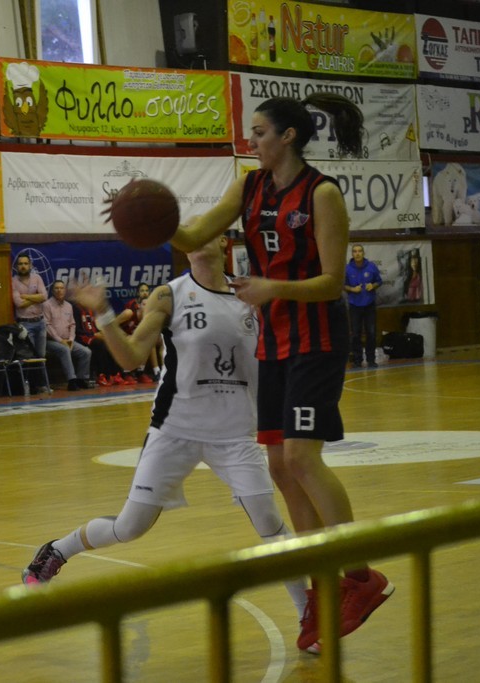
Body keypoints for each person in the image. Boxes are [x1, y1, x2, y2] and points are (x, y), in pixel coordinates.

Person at [169, 94, 394, 651]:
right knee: (279, 466)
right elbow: (193, 238)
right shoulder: (248, 187)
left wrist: (273, 287)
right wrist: (155, 218)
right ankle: (323, 583)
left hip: (317, 337)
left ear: (288, 136)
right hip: (273, 340)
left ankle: (361, 577)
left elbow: (332, 283)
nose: (252, 140)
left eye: (260, 131)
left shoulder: (321, 194)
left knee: (300, 457)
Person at [22, 236, 314, 649]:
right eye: (188, 235)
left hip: (234, 431)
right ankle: (56, 551)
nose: (196, 239)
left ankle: (308, 617)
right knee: (130, 527)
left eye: (205, 232)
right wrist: (103, 312)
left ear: (223, 242)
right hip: (175, 428)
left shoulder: (250, 293)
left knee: (269, 521)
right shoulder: (169, 295)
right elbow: (131, 358)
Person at [42, 279, 92, 391]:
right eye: (56, 288)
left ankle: (81, 379)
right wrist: (60, 340)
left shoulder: (69, 306)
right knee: (64, 350)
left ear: (65, 291)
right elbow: (47, 325)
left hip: (67, 340)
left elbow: (72, 325)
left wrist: (71, 339)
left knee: (86, 352)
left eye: (62, 288)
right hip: (51, 341)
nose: (59, 290)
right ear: (52, 291)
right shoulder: (46, 305)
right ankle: (71, 381)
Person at [344, 244, 382, 368]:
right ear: (352, 254)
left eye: (360, 251)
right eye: (355, 251)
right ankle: (357, 360)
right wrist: (352, 289)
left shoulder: (371, 266)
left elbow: (379, 281)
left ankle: (371, 359)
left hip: (369, 305)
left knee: (371, 332)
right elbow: (342, 285)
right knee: (355, 333)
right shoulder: (347, 268)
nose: (357, 253)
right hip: (354, 305)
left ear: (363, 253)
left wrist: (373, 285)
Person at [74, 300, 123, 385]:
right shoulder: (76, 309)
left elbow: (93, 326)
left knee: (111, 343)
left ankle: (115, 374)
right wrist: (93, 335)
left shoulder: (90, 309)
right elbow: (77, 329)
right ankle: (101, 375)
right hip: (82, 337)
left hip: (93, 335)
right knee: (100, 345)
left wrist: (99, 333)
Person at [12, 253, 48, 358]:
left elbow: (44, 296)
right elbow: (19, 303)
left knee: (41, 355)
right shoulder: (13, 281)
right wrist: (36, 297)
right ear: (16, 267)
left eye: (26, 263)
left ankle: (41, 370)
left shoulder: (37, 278)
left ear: (30, 265)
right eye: (20, 264)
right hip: (25, 324)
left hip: (40, 323)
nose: (23, 266)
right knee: (29, 357)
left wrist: (25, 296)